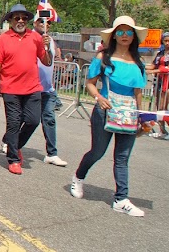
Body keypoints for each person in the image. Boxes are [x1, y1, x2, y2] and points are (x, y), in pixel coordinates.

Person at [70, 16, 149, 217]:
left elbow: (138, 92)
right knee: (97, 151)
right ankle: (78, 177)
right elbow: (90, 83)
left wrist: (142, 117)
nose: (124, 36)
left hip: (129, 113)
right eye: (120, 32)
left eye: (128, 32)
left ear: (134, 36)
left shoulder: (138, 63)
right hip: (105, 111)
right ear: (114, 35)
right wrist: (98, 97)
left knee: (122, 157)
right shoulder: (103, 58)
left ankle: (121, 199)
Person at [0, 4, 52, 175]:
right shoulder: (3, 39)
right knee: (14, 123)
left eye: (24, 18)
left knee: (33, 121)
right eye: (16, 18)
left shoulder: (36, 37)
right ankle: (13, 159)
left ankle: (14, 144)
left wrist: (47, 47)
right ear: (10, 20)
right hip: (10, 88)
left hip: (33, 88)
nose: (20, 21)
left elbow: (46, 61)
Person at [32, 17, 68, 167]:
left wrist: (48, 48)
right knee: (26, 120)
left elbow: (51, 60)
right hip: (31, 87)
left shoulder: (51, 40)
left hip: (47, 89)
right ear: (34, 23)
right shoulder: (29, 38)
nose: (44, 24)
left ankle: (52, 154)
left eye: (48, 22)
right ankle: (10, 142)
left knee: (49, 119)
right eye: (41, 21)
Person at [148, 32, 169, 138]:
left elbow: (165, 68)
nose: (167, 43)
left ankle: (164, 131)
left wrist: (156, 70)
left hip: (167, 83)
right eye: (165, 41)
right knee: (158, 107)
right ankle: (162, 131)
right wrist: (143, 68)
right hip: (159, 83)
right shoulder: (160, 53)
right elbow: (153, 65)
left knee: (162, 108)